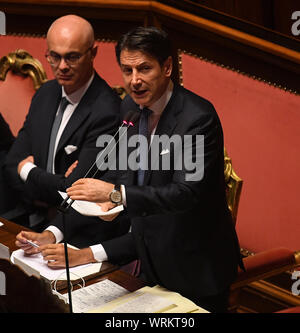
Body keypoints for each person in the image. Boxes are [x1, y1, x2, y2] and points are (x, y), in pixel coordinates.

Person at [22, 26, 244, 313]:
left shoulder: (197, 118)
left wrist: (117, 195)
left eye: (144, 69)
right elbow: (121, 177)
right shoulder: (129, 107)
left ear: (167, 67)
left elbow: (184, 193)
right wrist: (64, 228)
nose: (134, 81)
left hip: (195, 270)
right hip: (147, 264)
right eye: (127, 71)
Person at [4, 15, 121, 231]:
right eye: (55, 57)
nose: (62, 66)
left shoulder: (108, 111)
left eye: (72, 57)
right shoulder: (45, 93)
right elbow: (12, 163)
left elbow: (73, 193)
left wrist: (28, 170)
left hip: (76, 230)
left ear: (93, 53)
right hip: (28, 215)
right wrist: (49, 185)